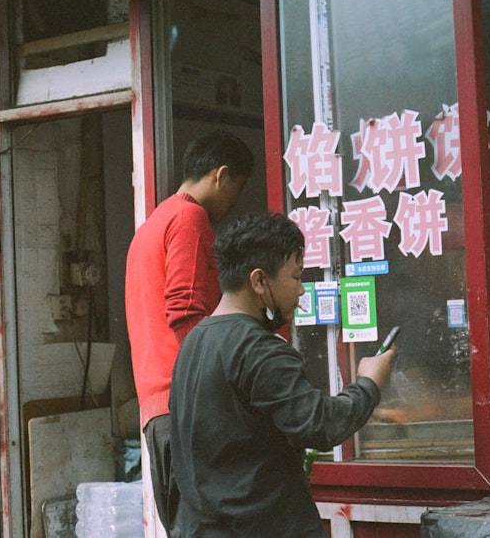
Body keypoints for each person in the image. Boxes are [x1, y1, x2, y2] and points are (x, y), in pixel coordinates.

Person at [169, 212, 395, 537]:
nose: (302, 291)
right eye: (296, 277)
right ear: (259, 281)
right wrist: (368, 383)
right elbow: (320, 425)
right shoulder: (260, 349)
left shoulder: (196, 340)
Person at [125, 128, 254, 536]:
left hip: (157, 411)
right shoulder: (189, 217)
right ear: (222, 175)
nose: (234, 202)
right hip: (187, 407)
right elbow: (184, 310)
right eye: (238, 187)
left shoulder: (150, 226)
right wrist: (223, 384)